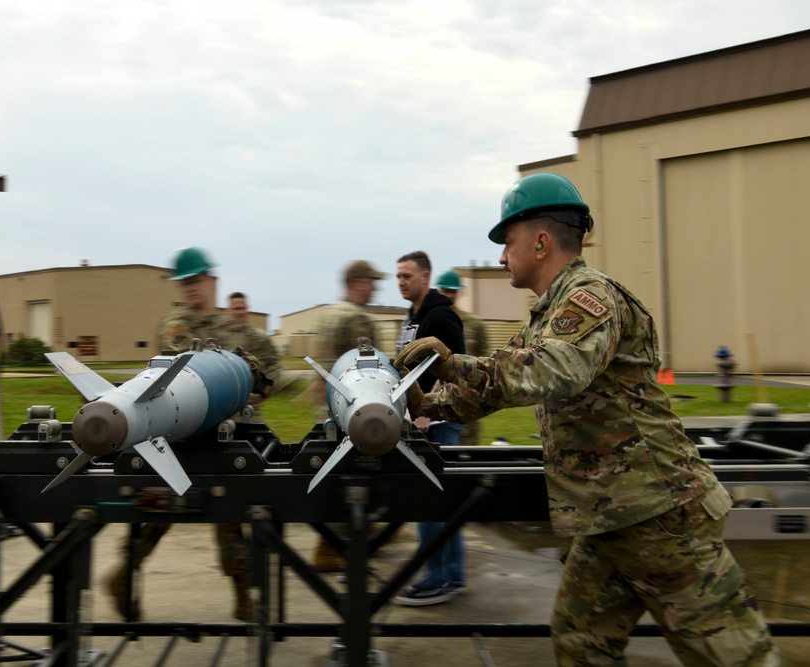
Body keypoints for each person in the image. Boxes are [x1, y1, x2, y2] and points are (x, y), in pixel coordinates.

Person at [395, 173, 781, 665]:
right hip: (612, 518)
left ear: (539, 241)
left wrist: (452, 363)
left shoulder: (589, 296)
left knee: (733, 655)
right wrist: (427, 403)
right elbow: (500, 381)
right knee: (581, 642)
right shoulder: (548, 313)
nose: (499, 258)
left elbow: (558, 369)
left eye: (506, 242)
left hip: (659, 516)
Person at [105, 247, 279, 623]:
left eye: (197, 280)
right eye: (186, 282)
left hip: (220, 435)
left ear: (211, 281)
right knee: (159, 510)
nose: (192, 288)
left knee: (230, 515)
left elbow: (253, 369)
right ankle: (124, 575)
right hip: (181, 436)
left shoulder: (224, 326)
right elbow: (186, 376)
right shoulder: (177, 326)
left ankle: (243, 596)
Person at [394, 251, 467, 607]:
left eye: (407, 276)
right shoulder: (414, 315)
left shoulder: (441, 317)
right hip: (420, 420)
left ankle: (438, 576)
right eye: (398, 276)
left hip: (438, 421)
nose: (401, 282)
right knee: (441, 503)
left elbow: (455, 369)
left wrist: (426, 412)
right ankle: (452, 574)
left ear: (425, 277)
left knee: (429, 503)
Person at [309, 259, 385, 572]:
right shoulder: (358, 320)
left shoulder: (330, 314)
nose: (375, 288)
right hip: (353, 410)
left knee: (338, 475)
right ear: (358, 282)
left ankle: (363, 530)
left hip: (328, 407)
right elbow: (371, 367)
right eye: (372, 281)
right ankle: (330, 550)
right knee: (355, 477)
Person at [435, 269, 489, 446]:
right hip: (438, 402)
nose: (449, 296)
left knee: (467, 454)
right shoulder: (432, 322)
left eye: (452, 291)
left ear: (459, 292)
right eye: (445, 291)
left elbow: (486, 364)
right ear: (439, 291)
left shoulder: (475, 325)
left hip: (467, 402)